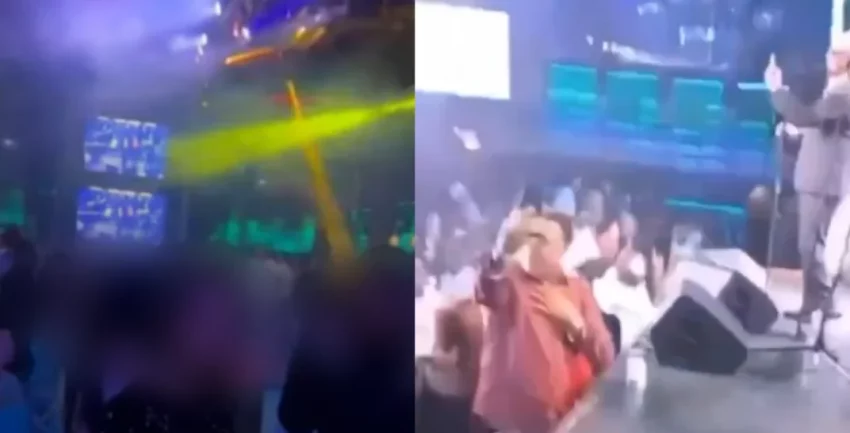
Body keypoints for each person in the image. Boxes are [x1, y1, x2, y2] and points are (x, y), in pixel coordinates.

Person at [87, 257, 264, 433]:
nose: (221, 336)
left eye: (228, 324)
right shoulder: (130, 411)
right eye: (207, 322)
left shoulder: (221, 407)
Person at [473, 212, 614, 433]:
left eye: (545, 239)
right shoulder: (509, 280)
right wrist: (499, 253)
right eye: (533, 238)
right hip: (501, 421)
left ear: (563, 247)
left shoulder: (578, 289)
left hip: (552, 421)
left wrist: (576, 324)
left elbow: (605, 357)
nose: (537, 245)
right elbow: (487, 288)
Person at [766, 34, 850, 322]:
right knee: (814, 245)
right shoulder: (835, 89)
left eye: (835, 53)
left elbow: (807, 116)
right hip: (822, 176)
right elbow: (819, 127)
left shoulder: (843, 91)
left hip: (824, 179)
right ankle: (818, 303)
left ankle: (819, 302)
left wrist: (777, 90)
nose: (828, 56)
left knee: (812, 244)